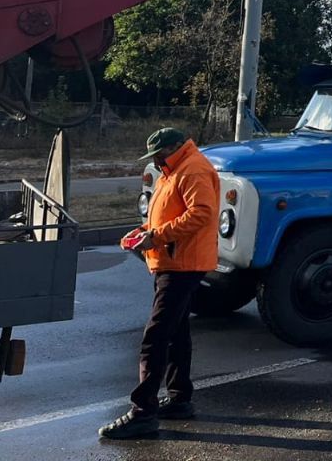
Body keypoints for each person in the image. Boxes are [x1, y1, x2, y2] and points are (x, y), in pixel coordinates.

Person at [99, 128, 219, 440]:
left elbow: (202, 214)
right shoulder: (175, 168)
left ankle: (143, 412)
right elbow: (168, 213)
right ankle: (180, 398)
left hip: (183, 263)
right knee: (176, 332)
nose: (154, 160)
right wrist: (143, 231)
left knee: (155, 336)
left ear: (174, 147)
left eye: (158, 154)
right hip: (174, 260)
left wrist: (156, 236)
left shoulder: (192, 169)